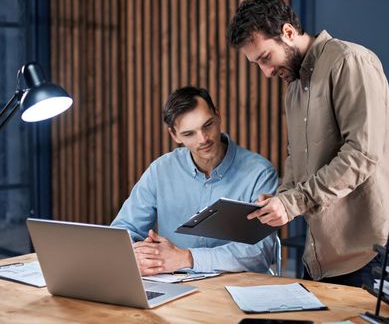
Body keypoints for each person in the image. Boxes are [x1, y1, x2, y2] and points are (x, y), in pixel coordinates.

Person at [227, 0, 389, 287]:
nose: (265, 72)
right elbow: (296, 158)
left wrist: (292, 203)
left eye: (265, 57)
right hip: (321, 254)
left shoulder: (349, 61)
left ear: (288, 33)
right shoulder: (293, 89)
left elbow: (361, 155)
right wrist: (281, 196)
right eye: (256, 65)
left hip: (369, 253)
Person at [111, 86, 278, 276]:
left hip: (235, 288)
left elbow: (260, 252)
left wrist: (186, 258)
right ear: (174, 135)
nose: (203, 139)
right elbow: (123, 231)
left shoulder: (259, 173)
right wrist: (141, 256)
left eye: (208, 125)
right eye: (189, 134)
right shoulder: (160, 170)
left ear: (218, 116)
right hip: (172, 284)